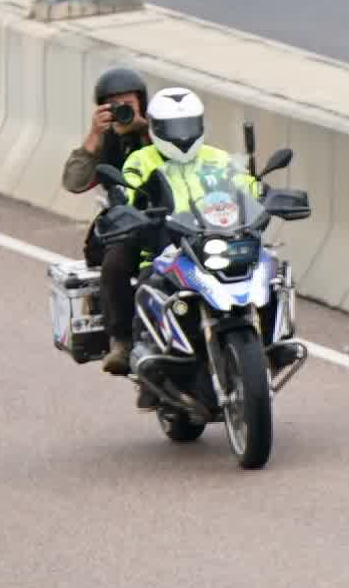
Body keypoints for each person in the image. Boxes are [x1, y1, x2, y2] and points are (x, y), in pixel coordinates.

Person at [103, 87, 260, 376]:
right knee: (148, 284)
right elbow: (128, 188)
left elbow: (246, 186)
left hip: (216, 240)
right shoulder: (141, 160)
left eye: (188, 125)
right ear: (155, 128)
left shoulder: (218, 158)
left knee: (270, 269)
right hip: (166, 246)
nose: (182, 134)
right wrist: (130, 205)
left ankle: (274, 336)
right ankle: (133, 348)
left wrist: (263, 194)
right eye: (173, 127)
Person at [63, 65, 154, 376]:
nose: (121, 111)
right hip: (124, 222)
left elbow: (183, 160)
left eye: (127, 103)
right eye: (113, 105)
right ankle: (123, 342)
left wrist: (145, 131)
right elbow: (74, 182)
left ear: (142, 102)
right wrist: (94, 136)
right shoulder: (103, 142)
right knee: (115, 263)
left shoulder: (163, 132)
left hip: (168, 215)